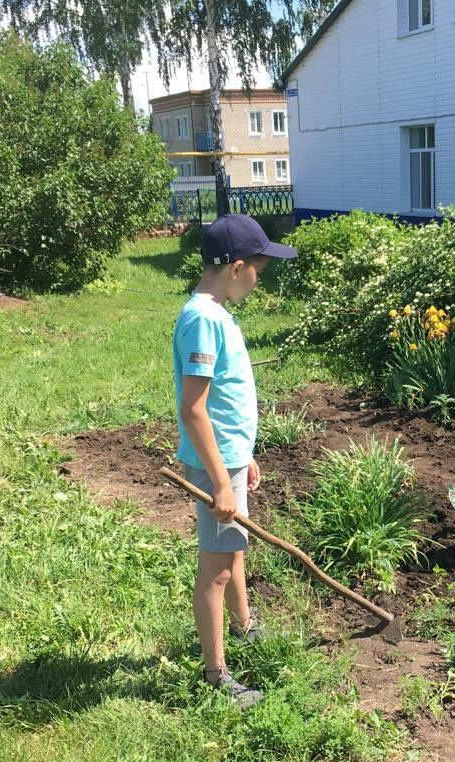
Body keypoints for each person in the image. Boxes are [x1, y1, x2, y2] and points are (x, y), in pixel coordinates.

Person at [173, 214, 296, 708]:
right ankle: (216, 676)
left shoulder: (216, 312)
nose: (259, 281)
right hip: (213, 467)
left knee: (235, 552)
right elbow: (194, 408)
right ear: (237, 267)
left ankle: (245, 626)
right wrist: (222, 480)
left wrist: (242, 458)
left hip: (227, 461)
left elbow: (222, 403)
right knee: (217, 568)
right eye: (259, 271)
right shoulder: (203, 318)